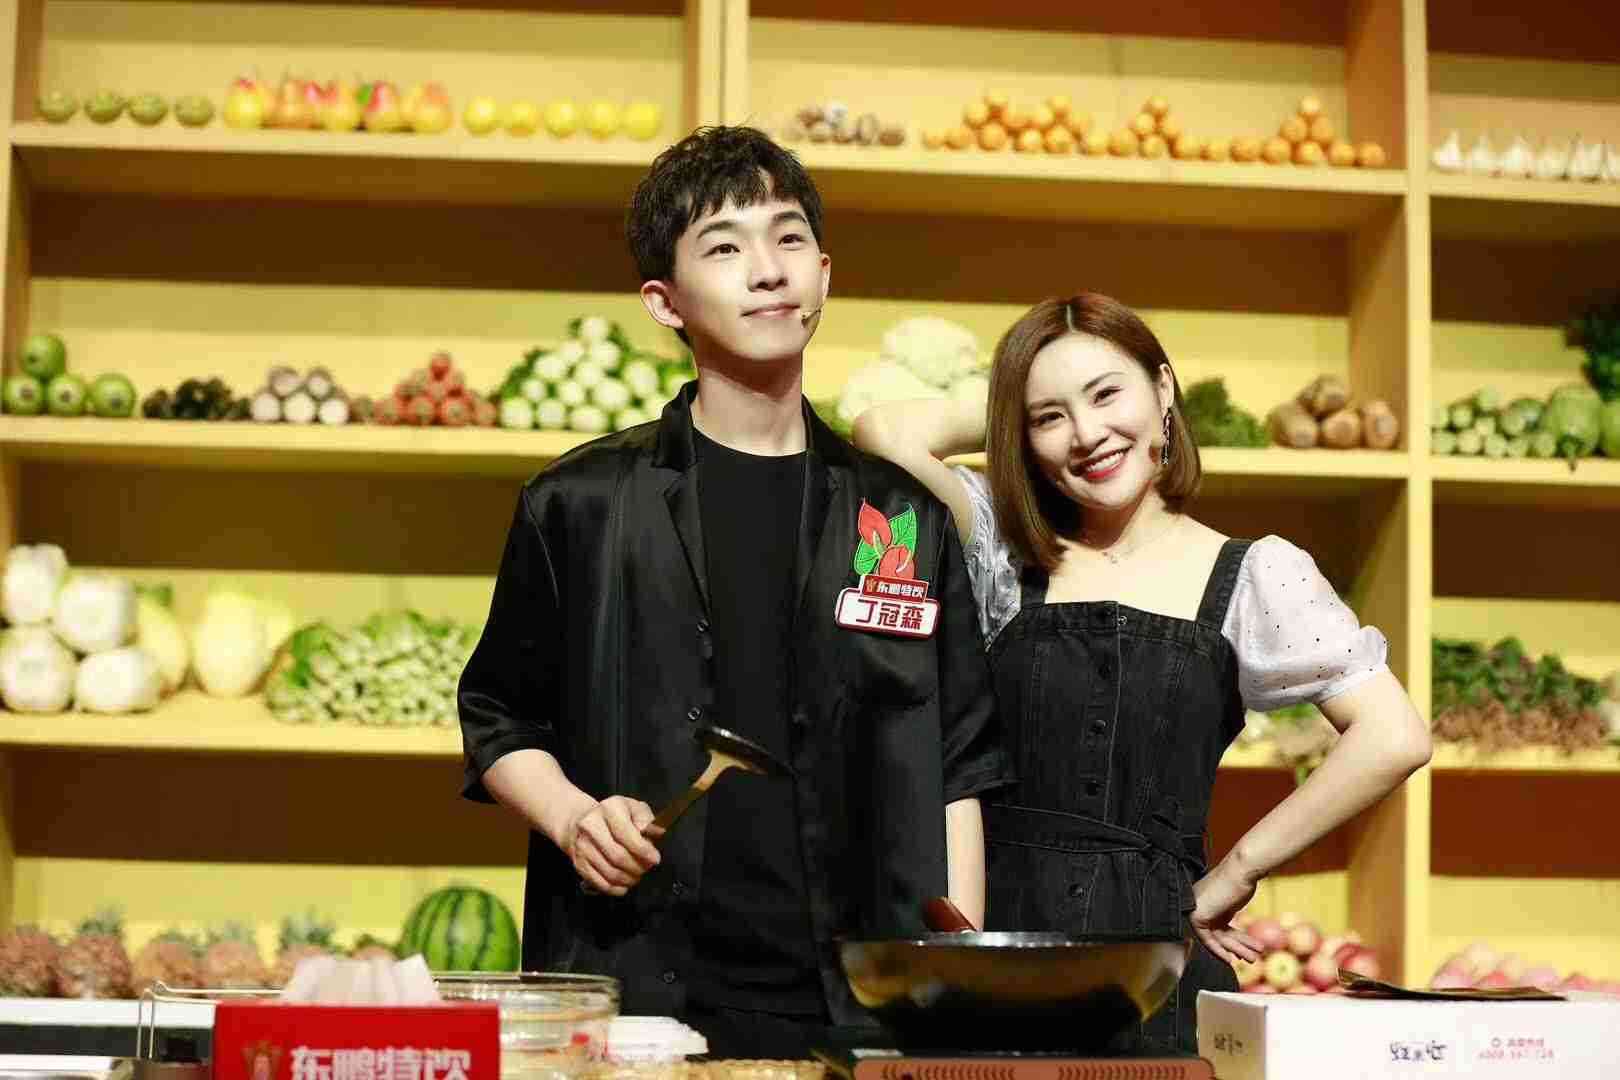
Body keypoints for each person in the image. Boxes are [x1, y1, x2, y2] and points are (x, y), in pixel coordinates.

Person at [455, 126, 1011, 1060]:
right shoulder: (580, 502)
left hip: (859, 1003)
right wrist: (575, 818)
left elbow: (959, 763)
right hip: (635, 994)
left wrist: (951, 985)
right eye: (724, 246)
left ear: (823, 275)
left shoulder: (900, 515)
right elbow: (498, 717)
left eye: (789, 238)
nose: (767, 269)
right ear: (664, 302)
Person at [852, 293, 1431, 1055]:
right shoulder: (1003, 549)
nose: (1087, 434)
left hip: (1157, 971)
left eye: (1106, 394)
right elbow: (883, 432)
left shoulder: (1256, 573)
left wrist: (1239, 871)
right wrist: (1013, 414)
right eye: (1050, 417)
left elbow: (1394, 736)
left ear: (1163, 390)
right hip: (1000, 956)